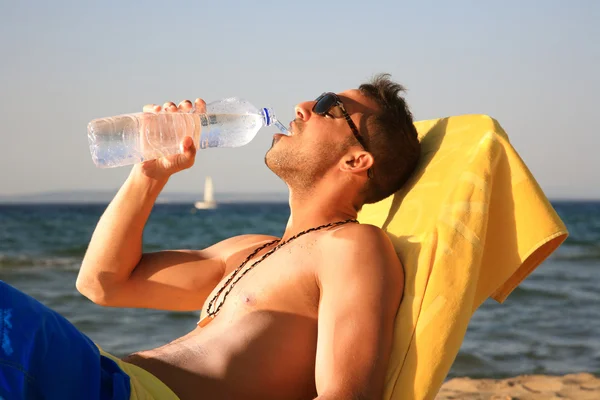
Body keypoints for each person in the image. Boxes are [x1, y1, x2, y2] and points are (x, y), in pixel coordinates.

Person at [0, 74, 421, 399]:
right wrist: (150, 172)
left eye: (330, 106)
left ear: (356, 159)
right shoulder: (247, 251)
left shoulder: (352, 247)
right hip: (105, 376)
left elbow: (345, 395)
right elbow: (101, 284)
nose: (304, 105)